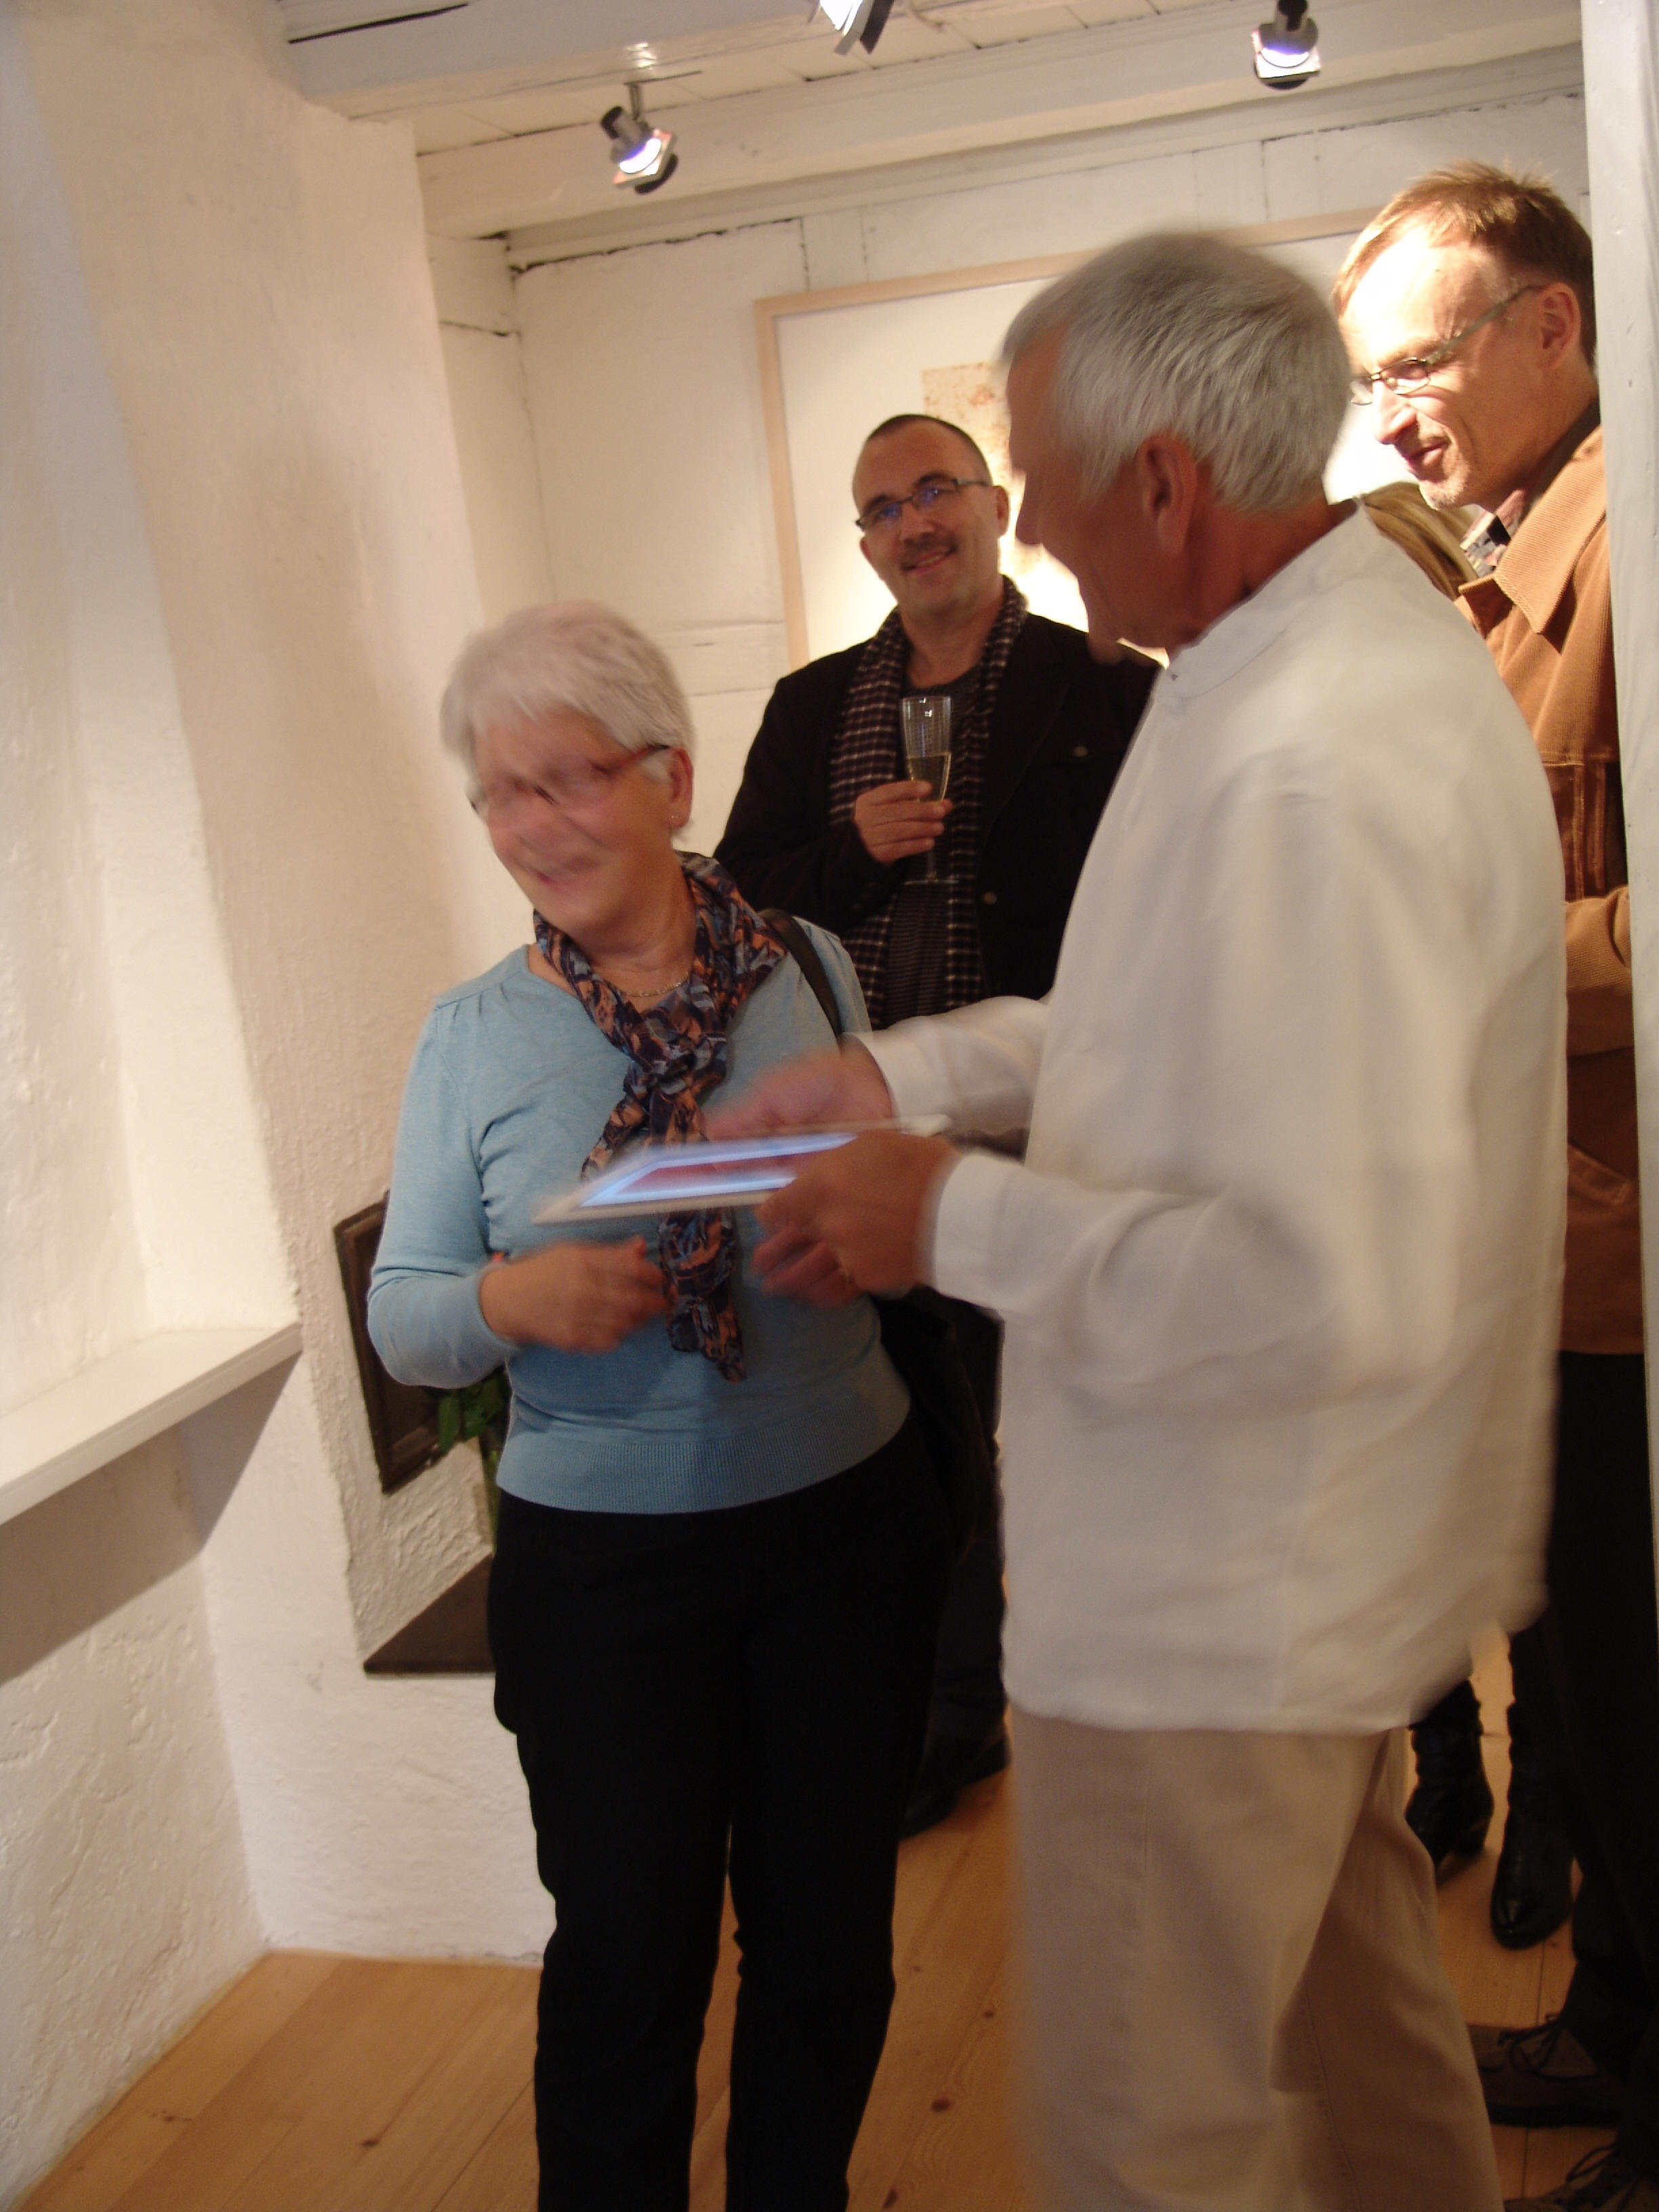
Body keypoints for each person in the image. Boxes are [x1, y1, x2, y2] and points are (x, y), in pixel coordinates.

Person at [712, 231, 1567, 2211]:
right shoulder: (1291, 662)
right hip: (1296, 1580)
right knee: (1366, 2075)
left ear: (1165, 482)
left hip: (1212, 1600)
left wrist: (947, 1217)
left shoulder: (1308, 759)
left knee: (1143, 2147)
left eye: (1035, 480)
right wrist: (906, 1078)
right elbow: (1163, 1018)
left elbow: (1313, 1282)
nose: (1026, 529)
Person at [366, 601, 951, 2212]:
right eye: (501, 792)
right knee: (627, 1959)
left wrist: (868, 1230)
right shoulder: (474, 1038)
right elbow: (406, 1315)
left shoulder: (811, 969)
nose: (532, 825)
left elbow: (889, 1190)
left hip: (845, 1528)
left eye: (569, 778)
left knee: (826, 1942)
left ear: (672, 779)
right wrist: (514, 1302)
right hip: (603, 1573)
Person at [1338, 164, 1658, 2212]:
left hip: (1616, 1268)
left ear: (1553, 323)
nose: (1392, 420)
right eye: (1371, 383)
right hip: (1530, 1248)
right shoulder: (1516, 557)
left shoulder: (1630, 547)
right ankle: (1614, 2021)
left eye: (1417, 364)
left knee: (1633, 1703)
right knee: (1586, 1701)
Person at [716, 411, 1154, 1832]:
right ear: (865, 546)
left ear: (992, 504)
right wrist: (854, 849)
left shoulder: (1108, 689)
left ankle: (1112, 1707)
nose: (913, 523)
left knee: (1090, 1432)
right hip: (884, 1139)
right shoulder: (811, 710)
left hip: (1081, 1132)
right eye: (882, 508)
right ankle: (960, 1709)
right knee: (931, 1436)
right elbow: (740, 901)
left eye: (935, 491)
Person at [1360, 478, 1576, 1955]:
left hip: (1496, 1178)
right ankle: (1448, 1780)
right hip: (1375, 1187)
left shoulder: (1492, 727)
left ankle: (1545, 1806)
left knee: (1519, 1524)